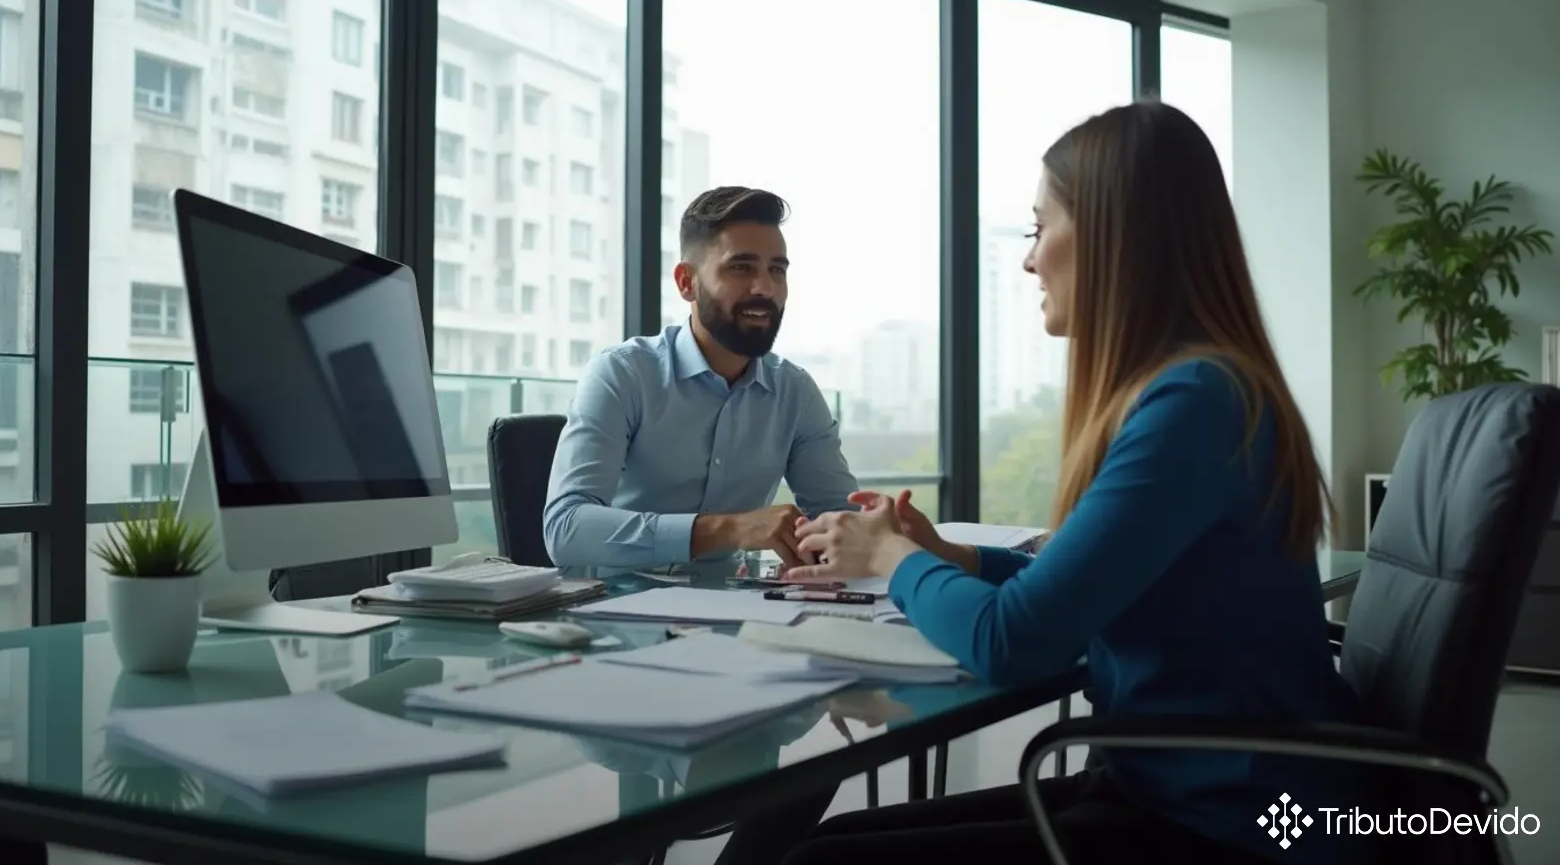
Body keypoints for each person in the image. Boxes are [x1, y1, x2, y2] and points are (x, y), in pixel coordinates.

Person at [775, 101, 1376, 865]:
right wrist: (951, 559)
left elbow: (1014, 640)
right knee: (827, 844)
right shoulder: (1202, 388)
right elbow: (1086, 591)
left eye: (1037, 228)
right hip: (1173, 780)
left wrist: (895, 561)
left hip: (1227, 820)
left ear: (1112, 233)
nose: (1028, 260)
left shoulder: (1192, 403)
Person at [542, 186, 859, 574]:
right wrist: (730, 529)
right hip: (617, 612)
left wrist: (871, 534)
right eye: (741, 267)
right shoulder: (622, 374)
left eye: (777, 269)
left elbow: (840, 515)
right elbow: (565, 530)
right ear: (686, 282)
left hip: (739, 611)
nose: (765, 288)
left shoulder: (795, 391)